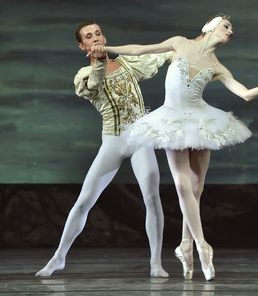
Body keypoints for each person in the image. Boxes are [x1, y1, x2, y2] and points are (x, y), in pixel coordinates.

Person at [89, 15, 258, 281]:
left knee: (197, 186)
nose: (231, 31)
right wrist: (106, 49)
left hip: (201, 121)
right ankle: (202, 245)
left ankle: (185, 245)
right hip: (172, 120)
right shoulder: (180, 43)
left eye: (232, 28)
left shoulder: (217, 66)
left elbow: (245, 94)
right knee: (182, 185)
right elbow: (140, 49)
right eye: (227, 26)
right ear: (210, 27)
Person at [35, 20, 172, 278]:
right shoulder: (83, 76)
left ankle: (155, 262)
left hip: (140, 139)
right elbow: (94, 86)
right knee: (84, 201)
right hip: (114, 140)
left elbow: (159, 55)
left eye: (98, 33)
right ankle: (58, 258)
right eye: (89, 36)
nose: (95, 38)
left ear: (104, 37)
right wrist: (97, 63)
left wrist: (185, 45)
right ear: (82, 45)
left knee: (152, 198)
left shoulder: (127, 63)